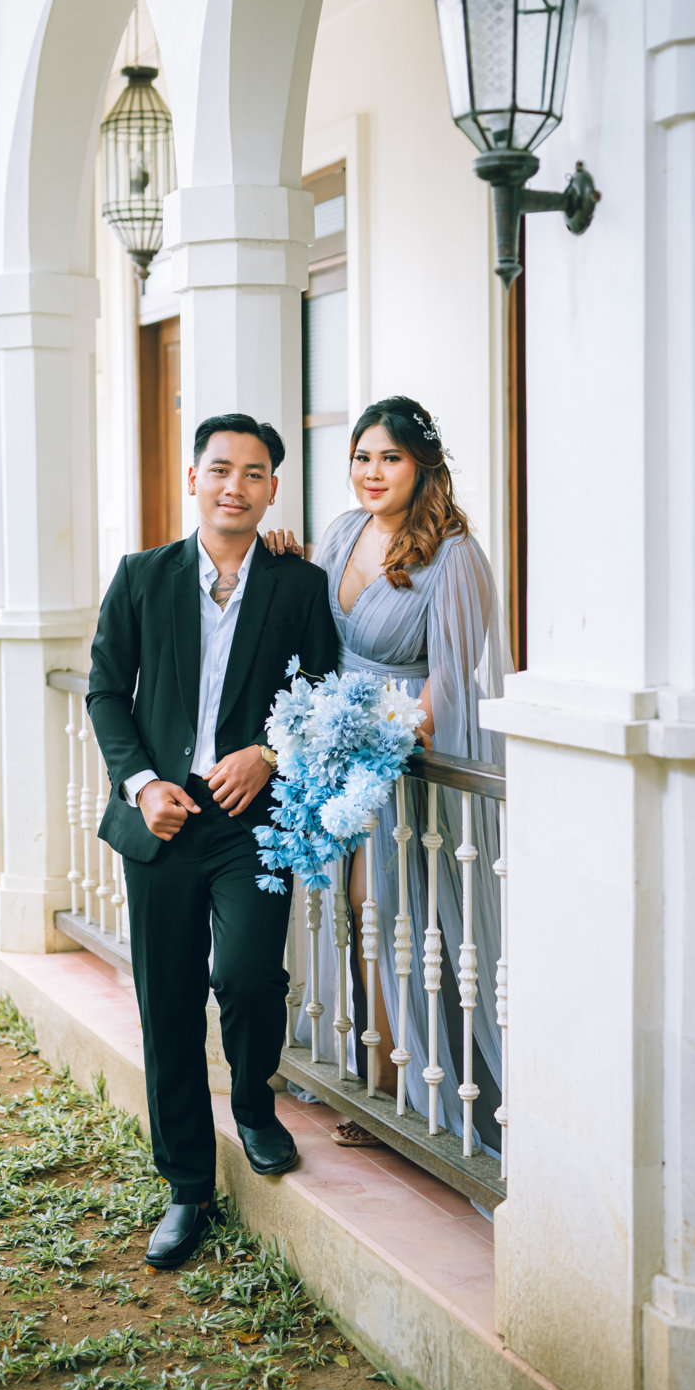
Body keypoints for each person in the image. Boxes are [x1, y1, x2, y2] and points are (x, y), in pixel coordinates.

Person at [87, 414, 338, 1269]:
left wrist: (268, 753)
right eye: (222, 469)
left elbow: (322, 694)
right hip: (163, 817)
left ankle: (255, 1106)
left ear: (272, 489)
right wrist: (142, 783)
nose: (237, 485)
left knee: (247, 974)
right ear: (194, 477)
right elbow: (105, 691)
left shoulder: (299, 586)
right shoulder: (142, 576)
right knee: (166, 1002)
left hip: (251, 821)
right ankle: (187, 1184)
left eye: (255, 472)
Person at [267, 395, 508, 1150]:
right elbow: (313, 624)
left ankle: (398, 1082)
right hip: (332, 747)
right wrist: (283, 557)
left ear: (422, 465)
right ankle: (360, 1059)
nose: (372, 472)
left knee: (384, 904)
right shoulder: (343, 533)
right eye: (362, 457)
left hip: (401, 755)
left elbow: (452, 678)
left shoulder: (454, 555)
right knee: (334, 900)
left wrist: (386, 740)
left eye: (390, 458)